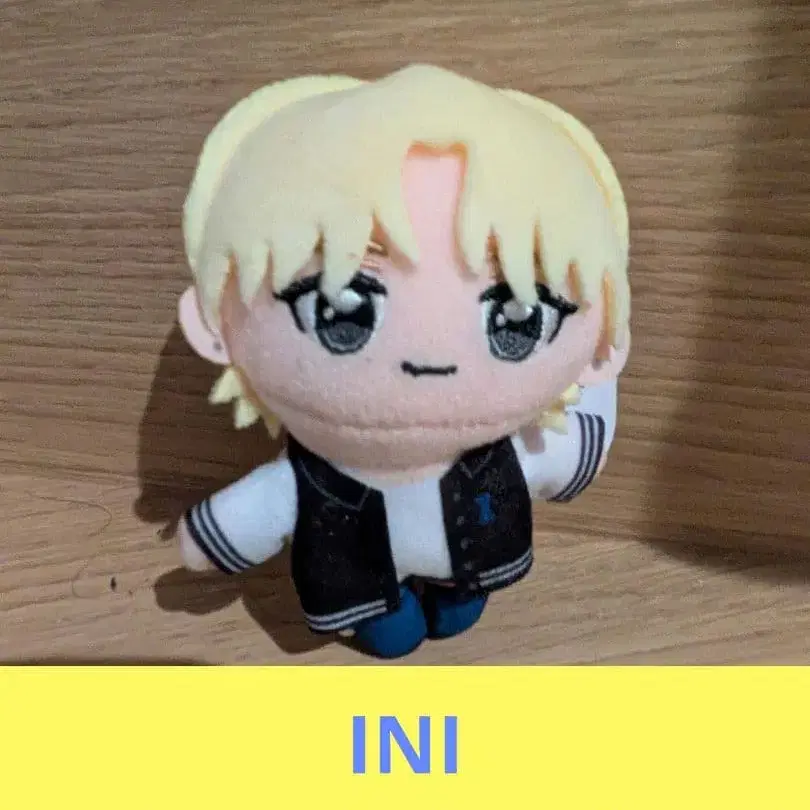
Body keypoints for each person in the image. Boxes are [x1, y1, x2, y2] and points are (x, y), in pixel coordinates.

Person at [176, 64, 631, 658]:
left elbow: (566, 455)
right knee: (390, 632)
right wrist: (218, 535)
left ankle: (450, 597)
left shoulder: (503, 448)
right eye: (342, 311)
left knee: (460, 610)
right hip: (361, 585)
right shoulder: (315, 475)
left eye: (516, 321)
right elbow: (263, 508)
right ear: (213, 327)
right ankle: (389, 614)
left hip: (476, 562)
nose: (430, 358)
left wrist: (598, 381)